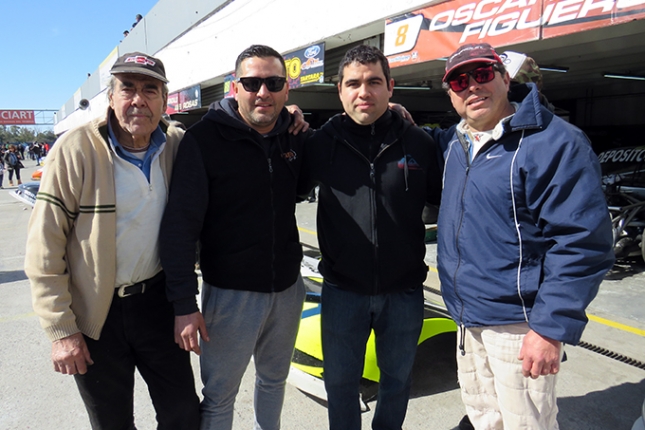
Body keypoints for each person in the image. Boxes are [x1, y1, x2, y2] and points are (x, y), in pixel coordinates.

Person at [426, 43, 614, 430]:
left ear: (504, 78)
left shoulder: (553, 143)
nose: (472, 87)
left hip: (520, 325)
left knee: (527, 424)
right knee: (484, 419)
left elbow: (581, 242)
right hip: (467, 317)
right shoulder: (455, 143)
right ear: (450, 94)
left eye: (482, 75)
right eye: (460, 81)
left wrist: (549, 328)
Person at [24, 51, 200, 430]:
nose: (139, 100)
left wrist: (290, 119)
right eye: (128, 89)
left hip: (157, 303)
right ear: (111, 98)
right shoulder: (75, 150)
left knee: (184, 413)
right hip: (95, 315)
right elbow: (44, 248)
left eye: (150, 90)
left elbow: (232, 132)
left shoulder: (176, 145)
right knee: (111, 423)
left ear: (165, 100)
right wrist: (62, 330)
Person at [159, 44, 309, 430]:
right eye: (252, 82)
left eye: (273, 83)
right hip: (230, 295)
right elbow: (180, 226)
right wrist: (183, 303)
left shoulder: (293, 137)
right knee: (221, 394)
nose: (263, 92)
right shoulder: (203, 140)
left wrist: (393, 112)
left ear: (286, 89)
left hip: (288, 289)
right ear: (234, 87)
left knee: (274, 380)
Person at [299, 45, 443, 430]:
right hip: (343, 291)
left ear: (390, 87)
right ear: (340, 91)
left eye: (374, 82)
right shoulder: (319, 144)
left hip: (405, 293)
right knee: (341, 383)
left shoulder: (420, 144)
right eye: (354, 83)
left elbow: (445, 202)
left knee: (397, 382)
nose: (364, 91)